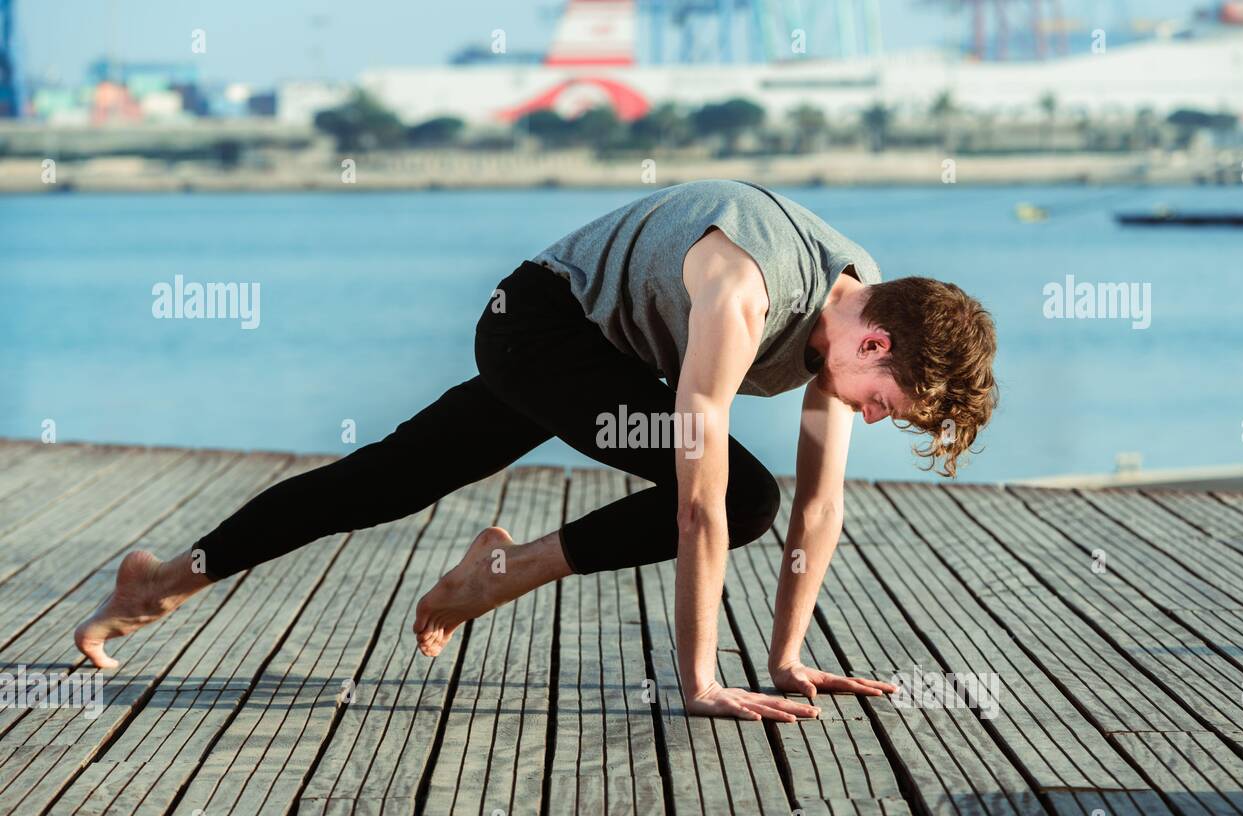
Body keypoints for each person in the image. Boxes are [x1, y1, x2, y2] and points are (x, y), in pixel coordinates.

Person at [74, 179, 998, 722]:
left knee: (384, 479)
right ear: (873, 344)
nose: (872, 417)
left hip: (612, 354)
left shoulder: (861, 301)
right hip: (539, 330)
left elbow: (821, 504)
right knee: (736, 495)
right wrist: (702, 679)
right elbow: (697, 501)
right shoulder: (744, 289)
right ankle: (495, 574)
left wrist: (789, 656)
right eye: (887, 403)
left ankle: (152, 583)